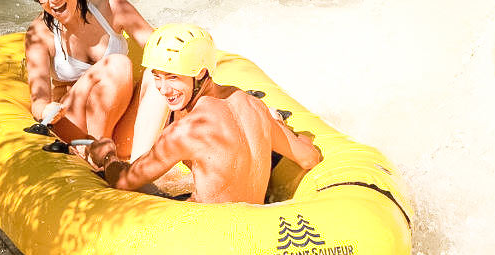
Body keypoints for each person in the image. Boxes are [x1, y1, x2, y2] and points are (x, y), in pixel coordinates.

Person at [88, 24, 322, 203]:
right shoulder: (253, 106)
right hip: (257, 220)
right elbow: (309, 157)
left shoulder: (186, 131)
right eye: (156, 76)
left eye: (173, 77)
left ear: (200, 74)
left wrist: (108, 156)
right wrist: (284, 129)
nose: (162, 89)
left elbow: (124, 181)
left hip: (209, 235)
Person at [24, 0, 167, 159]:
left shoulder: (113, 7)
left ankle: (137, 166)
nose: (53, 0)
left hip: (119, 124)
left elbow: (163, 52)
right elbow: (38, 101)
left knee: (159, 73)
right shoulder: (39, 34)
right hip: (75, 124)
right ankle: (100, 158)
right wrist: (45, 111)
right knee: (118, 64)